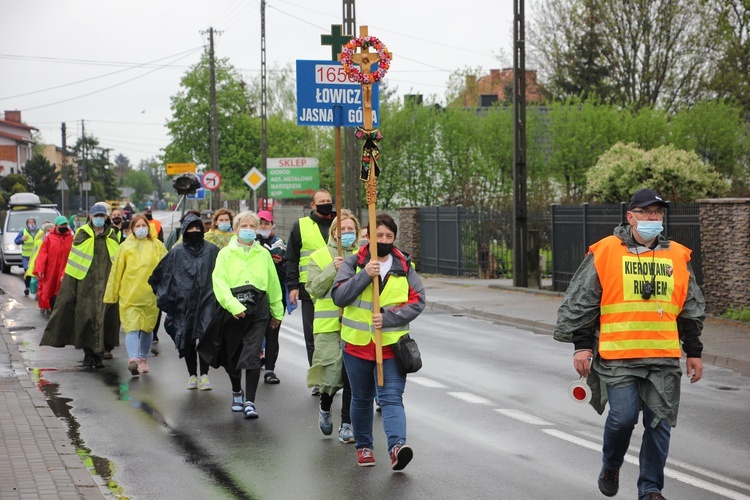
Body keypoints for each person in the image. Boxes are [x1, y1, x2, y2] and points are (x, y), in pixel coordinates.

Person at [554, 188, 705, 500]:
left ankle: (651, 489)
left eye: (658, 212)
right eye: (646, 212)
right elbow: (583, 301)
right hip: (618, 356)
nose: (653, 218)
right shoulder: (607, 250)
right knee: (622, 418)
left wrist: (694, 351)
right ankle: (611, 465)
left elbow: (689, 307)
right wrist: (581, 346)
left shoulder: (676, 255)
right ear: (630, 216)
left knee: (659, 423)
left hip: (662, 356)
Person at [332, 213, 426, 470]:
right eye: (379, 235)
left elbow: (418, 300)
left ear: (394, 238)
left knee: (392, 398)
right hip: (358, 346)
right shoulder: (353, 263)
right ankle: (364, 447)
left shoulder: (404, 265)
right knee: (362, 399)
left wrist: (389, 317)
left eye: (389, 236)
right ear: (369, 236)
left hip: (391, 347)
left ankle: (397, 447)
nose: (384, 240)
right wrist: (365, 275)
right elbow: (339, 296)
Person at [199, 211, 283, 419]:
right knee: (233, 355)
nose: (248, 230)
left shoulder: (263, 254)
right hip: (233, 310)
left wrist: (277, 311)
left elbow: (273, 283)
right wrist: (233, 306)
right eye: (243, 226)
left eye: (251, 226)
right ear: (235, 230)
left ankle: (250, 402)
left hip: (259, 308)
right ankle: (237, 391)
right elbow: (219, 282)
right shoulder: (226, 254)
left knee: (253, 353)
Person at [40, 204, 121, 369]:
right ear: (90, 216)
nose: (98, 218)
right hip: (85, 285)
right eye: (95, 215)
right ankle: (88, 354)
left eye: (101, 215)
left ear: (106, 217)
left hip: (105, 285)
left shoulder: (112, 235)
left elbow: (117, 260)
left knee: (104, 319)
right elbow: (75, 261)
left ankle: (99, 354)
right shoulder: (82, 234)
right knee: (86, 318)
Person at [307, 209, 361, 443]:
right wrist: (332, 269)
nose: (347, 233)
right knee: (330, 376)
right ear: (334, 232)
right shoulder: (319, 256)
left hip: (355, 324)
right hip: (328, 325)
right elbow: (313, 289)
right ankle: (325, 406)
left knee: (352, 377)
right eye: (343, 229)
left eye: (352, 230)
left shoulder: (364, 256)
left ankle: (347, 424)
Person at [150, 213, 219, 390]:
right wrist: (169, 297)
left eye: (197, 228)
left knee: (205, 338)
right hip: (184, 303)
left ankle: (204, 375)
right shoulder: (177, 252)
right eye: (191, 228)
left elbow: (222, 272)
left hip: (207, 302)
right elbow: (161, 274)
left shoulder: (212, 250)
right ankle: (192, 375)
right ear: (185, 230)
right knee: (187, 338)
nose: (194, 231)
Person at [286, 189, 336, 395]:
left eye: (329, 201)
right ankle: (318, 379)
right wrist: (293, 286)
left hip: (339, 287)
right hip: (311, 289)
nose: (326, 204)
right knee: (313, 336)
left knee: (337, 335)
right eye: (322, 201)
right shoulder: (300, 226)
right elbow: (291, 257)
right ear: (313, 206)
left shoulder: (341, 223)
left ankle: (337, 375)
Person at [104, 214, 167, 376]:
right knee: (131, 327)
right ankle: (133, 359)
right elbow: (116, 271)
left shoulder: (157, 246)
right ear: (131, 229)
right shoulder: (125, 247)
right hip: (129, 295)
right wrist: (111, 295)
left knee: (147, 329)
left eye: (143, 226)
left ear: (148, 227)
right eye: (137, 226)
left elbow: (167, 268)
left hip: (150, 296)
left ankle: (143, 359)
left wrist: (168, 292)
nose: (141, 229)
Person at [255, 210, 286, 384]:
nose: (263, 226)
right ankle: (254, 359)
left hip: (275, 294)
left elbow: (288, 268)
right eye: (260, 223)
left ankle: (270, 370)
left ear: (272, 225)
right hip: (255, 295)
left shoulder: (280, 244)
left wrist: (280, 264)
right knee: (254, 332)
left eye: (266, 223)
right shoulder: (250, 243)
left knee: (272, 332)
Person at [33, 217, 73, 314]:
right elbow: (42, 254)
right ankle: (53, 310)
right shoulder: (49, 238)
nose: (64, 227)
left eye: (65, 225)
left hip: (65, 270)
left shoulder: (71, 239)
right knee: (51, 291)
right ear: (56, 226)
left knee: (63, 291)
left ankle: (60, 312)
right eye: (61, 225)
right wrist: (40, 269)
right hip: (51, 271)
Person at [14, 216, 41, 295]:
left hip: (36, 256)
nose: (31, 223)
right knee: (27, 271)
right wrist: (21, 239)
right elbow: (16, 241)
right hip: (26, 256)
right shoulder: (23, 231)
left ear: (35, 224)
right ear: (27, 224)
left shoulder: (39, 232)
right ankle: (27, 287)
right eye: (29, 222)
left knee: (36, 272)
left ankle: (36, 287)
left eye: (33, 222)